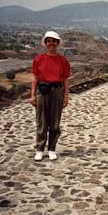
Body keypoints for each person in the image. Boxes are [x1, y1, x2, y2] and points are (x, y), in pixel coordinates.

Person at [30, 31, 71, 161]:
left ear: (57, 43)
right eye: (48, 41)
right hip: (42, 92)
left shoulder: (63, 61)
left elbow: (65, 80)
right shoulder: (38, 59)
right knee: (41, 122)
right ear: (45, 43)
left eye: (54, 41)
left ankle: (52, 148)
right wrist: (32, 95)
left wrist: (66, 96)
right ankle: (40, 149)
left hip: (56, 92)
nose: (51, 43)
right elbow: (35, 78)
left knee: (54, 123)